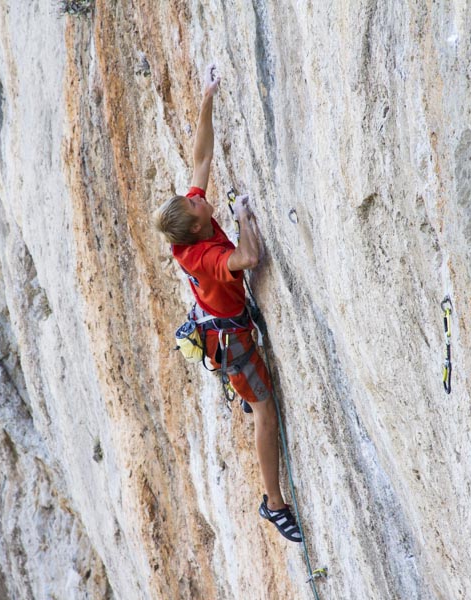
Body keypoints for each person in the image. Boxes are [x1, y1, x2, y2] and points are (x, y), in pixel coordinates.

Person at [151, 64, 302, 543]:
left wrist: (207, 96)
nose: (199, 197)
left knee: (257, 401)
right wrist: (243, 217)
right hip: (231, 342)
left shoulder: (189, 227)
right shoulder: (208, 255)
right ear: (196, 226)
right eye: (196, 204)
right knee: (266, 411)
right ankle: (273, 504)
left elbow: (200, 158)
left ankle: (243, 397)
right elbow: (250, 256)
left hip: (218, 323)